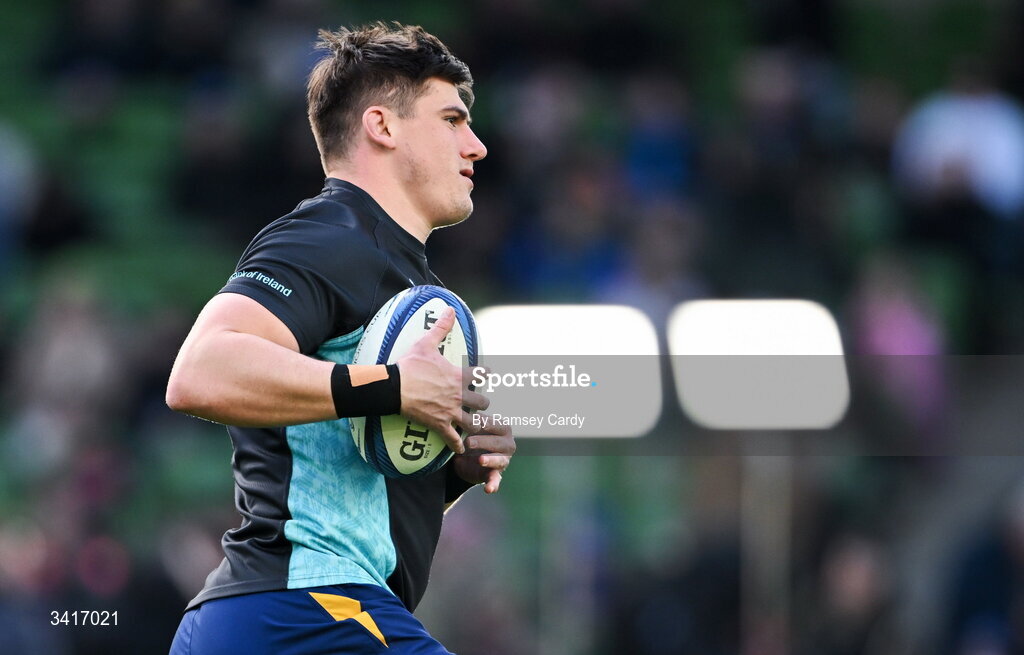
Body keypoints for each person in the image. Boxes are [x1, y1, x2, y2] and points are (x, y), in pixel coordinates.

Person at [165, 22, 514, 655]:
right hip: (305, 611)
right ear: (383, 127)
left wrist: (449, 470)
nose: (478, 145)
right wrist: (392, 386)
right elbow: (200, 371)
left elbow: (350, 492)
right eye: (453, 119)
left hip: (284, 616)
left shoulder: (399, 273)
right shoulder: (332, 234)